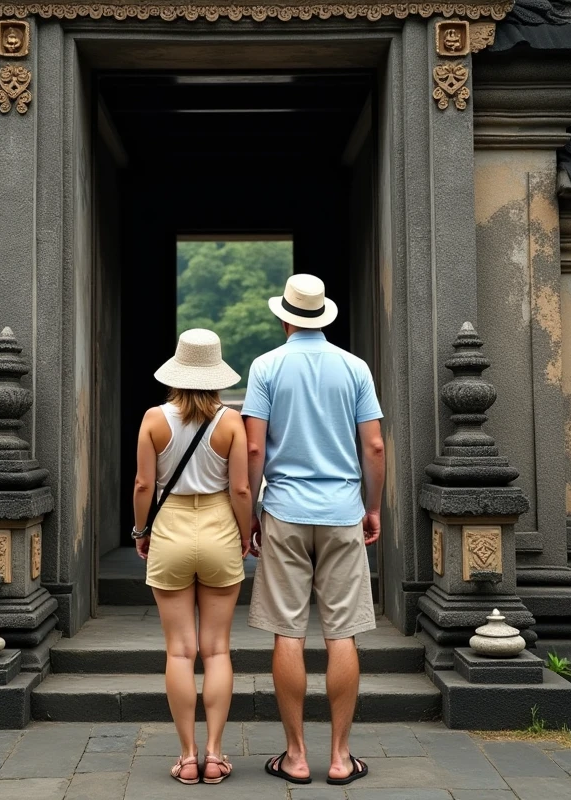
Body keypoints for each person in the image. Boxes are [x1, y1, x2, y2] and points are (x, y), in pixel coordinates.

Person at [243, 273, 385, 786]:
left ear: (284, 318)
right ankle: (342, 758)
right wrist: (373, 507)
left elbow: (254, 447)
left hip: (284, 510)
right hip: (343, 510)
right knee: (342, 632)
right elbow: (374, 446)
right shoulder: (354, 367)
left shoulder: (265, 367)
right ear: (323, 317)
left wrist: (251, 513)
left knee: (289, 631)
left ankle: (296, 756)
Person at [132, 328, 253, 785]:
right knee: (217, 649)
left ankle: (186, 757)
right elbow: (241, 488)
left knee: (180, 652)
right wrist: (246, 532)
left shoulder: (153, 419)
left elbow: (144, 485)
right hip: (220, 528)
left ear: (176, 371)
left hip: (171, 531)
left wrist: (140, 531)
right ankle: (216, 755)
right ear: (217, 374)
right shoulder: (231, 422)